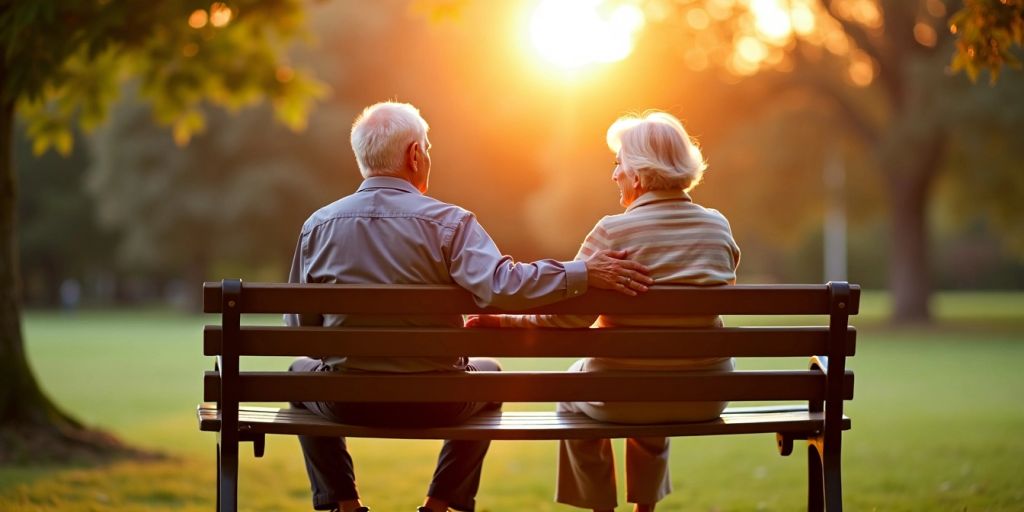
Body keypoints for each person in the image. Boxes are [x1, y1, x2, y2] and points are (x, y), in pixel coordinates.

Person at [285, 101, 654, 512]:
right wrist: (580, 272)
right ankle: (438, 506)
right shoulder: (450, 223)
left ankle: (345, 505)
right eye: (427, 147)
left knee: (299, 376)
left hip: (347, 400)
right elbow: (504, 284)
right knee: (490, 374)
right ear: (414, 154)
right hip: (438, 399)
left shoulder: (318, 226)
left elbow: (305, 331)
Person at [468, 111, 741, 512]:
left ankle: (601, 508)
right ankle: (644, 508)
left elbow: (566, 319)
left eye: (619, 164)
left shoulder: (613, 232)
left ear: (638, 174)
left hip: (621, 396)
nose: (614, 174)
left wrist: (502, 319)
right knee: (662, 365)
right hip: (706, 395)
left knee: (582, 389)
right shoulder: (718, 228)